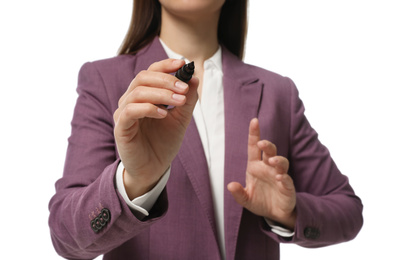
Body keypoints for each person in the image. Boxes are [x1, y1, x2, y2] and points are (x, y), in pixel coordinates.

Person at [48, 0, 363, 259]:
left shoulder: (277, 92)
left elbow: (348, 210)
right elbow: (66, 238)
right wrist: (135, 182)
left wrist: (289, 213)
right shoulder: (105, 81)